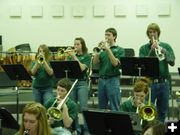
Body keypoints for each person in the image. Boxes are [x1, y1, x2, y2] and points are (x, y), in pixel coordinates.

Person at [139, 23, 175, 123]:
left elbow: (172, 62)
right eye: (150, 32)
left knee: (162, 111)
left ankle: (159, 131)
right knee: (147, 109)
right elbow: (143, 65)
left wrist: (163, 51)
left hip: (164, 83)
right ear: (148, 34)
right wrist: (151, 50)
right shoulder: (143, 48)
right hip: (149, 83)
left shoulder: (166, 46)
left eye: (154, 32)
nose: (152, 34)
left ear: (158, 33)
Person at [93, 27, 125, 111]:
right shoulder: (102, 50)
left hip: (113, 80)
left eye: (108, 35)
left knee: (114, 106)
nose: (106, 37)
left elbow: (115, 63)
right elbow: (95, 64)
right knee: (101, 107)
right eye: (105, 35)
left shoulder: (120, 50)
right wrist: (97, 53)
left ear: (114, 37)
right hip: (101, 80)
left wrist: (108, 49)